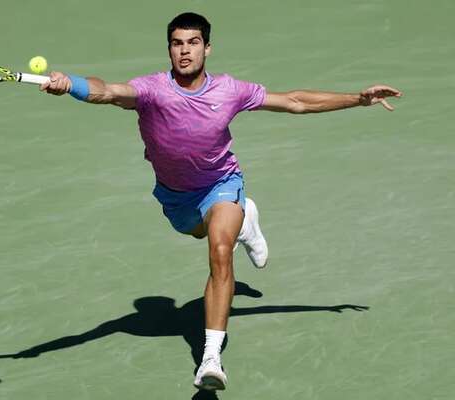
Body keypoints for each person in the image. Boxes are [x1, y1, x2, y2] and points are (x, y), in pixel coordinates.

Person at [39, 12, 401, 392]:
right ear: (169, 49)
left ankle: (211, 359)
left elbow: (294, 101)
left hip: (221, 184)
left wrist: (357, 99)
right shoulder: (151, 90)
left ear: (207, 48)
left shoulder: (229, 90)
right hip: (178, 199)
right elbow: (107, 92)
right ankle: (247, 220)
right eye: (177, 43)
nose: (185, 51)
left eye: (193, 43)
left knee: (220, 249)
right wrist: (72, 85)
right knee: (202, 233)